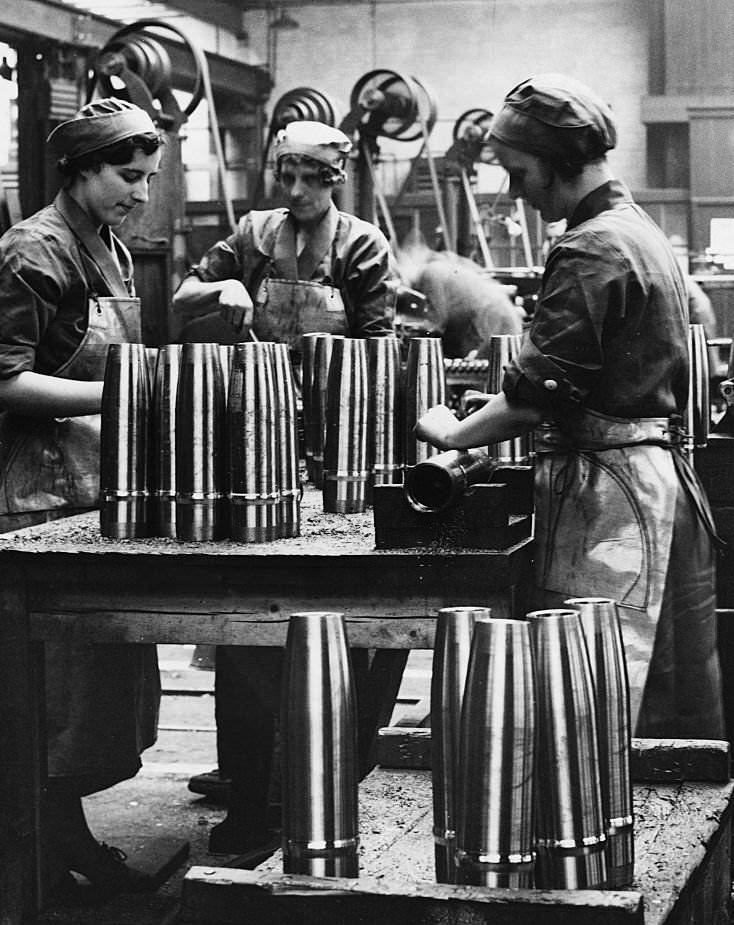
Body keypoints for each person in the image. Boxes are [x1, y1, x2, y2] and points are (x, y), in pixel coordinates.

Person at [415, 73, 725, 740]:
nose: (513, 190)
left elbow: (536, 400)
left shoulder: (591, 247)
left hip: (615, 503)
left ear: (557, 163)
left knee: (594, 700)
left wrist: (452, 432)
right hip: (652, 484)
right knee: (660, 700)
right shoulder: (636, 230)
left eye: (517, 171)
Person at [172, 119, 396, 852]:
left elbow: (381, 359)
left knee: (340, 630)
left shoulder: (362, 246)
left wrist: (350, 457)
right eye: (286, 175)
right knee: (245, 633)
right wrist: (225, 282)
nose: (296, 191)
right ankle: (248, 797)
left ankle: (329, 787)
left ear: (336, 177)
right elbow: (181, 296)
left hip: (338, 457)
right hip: (256, 453)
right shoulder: (253, 233)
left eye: (311, 177)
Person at [0, 98, 165, 899]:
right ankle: (45, 862)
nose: (142, 192)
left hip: (98, 488)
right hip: (46, 497)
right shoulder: (32, 250)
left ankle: (65, 842)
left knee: (95, 690)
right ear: (82, 171)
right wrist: (124, 395)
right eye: (129, 176)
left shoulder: (111, 246)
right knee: (55, 699)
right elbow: (4, 378)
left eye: (149, 177)